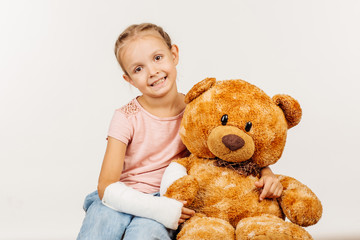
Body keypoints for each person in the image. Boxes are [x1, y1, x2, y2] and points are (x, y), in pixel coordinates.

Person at [76, 23, 283, 240]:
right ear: (129, 79)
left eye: (157, 58)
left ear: (173, 54)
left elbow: (230, 149)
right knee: (101, 225)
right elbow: (106, 187)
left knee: (146, 234)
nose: (153, 72)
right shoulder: (125, 117)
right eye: (138, 69)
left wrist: (267, 174)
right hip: (121, 198)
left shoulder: (198, 110)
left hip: (168, 199)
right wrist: (155, 207)